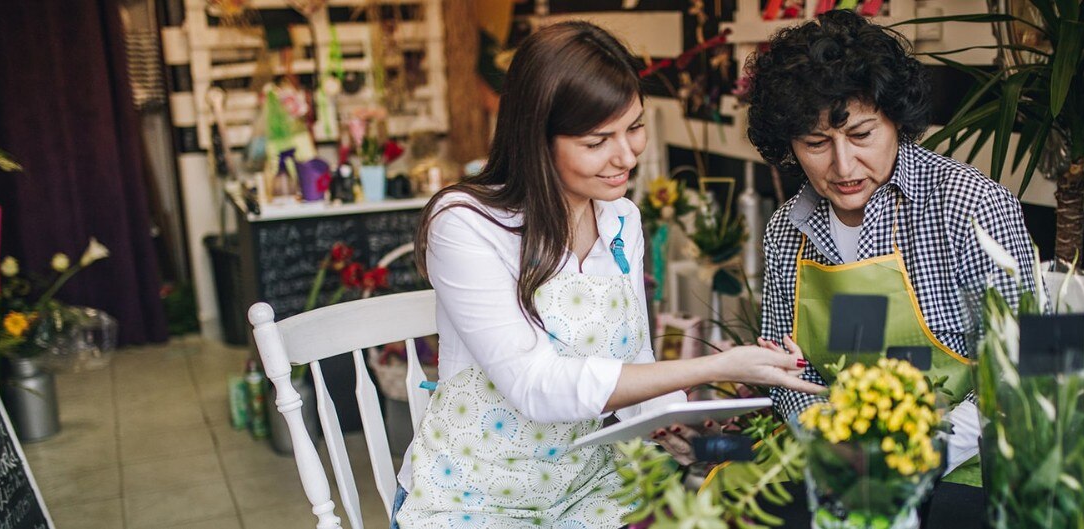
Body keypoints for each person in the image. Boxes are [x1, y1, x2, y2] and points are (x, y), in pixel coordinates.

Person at [391, 21, 823, 529]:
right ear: (537, 137)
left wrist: (669, 424)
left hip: (588, 492)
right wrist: (716, 367)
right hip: (472, 501)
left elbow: (633, 359)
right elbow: (535, 384)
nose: (627, 156)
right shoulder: (466, 223)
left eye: (635, 127)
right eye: (598, 140)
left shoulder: (620, 219)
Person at [743, 8, 1037, 522]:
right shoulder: (788, 228)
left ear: (896, 121)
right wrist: (826, 445)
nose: (843, 166)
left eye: (861, 135)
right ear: (789, 146)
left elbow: (1026, 366)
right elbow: (790, 371)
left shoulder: (967, 205)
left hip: (968, 470)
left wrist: (915, 461)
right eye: (815, 143)